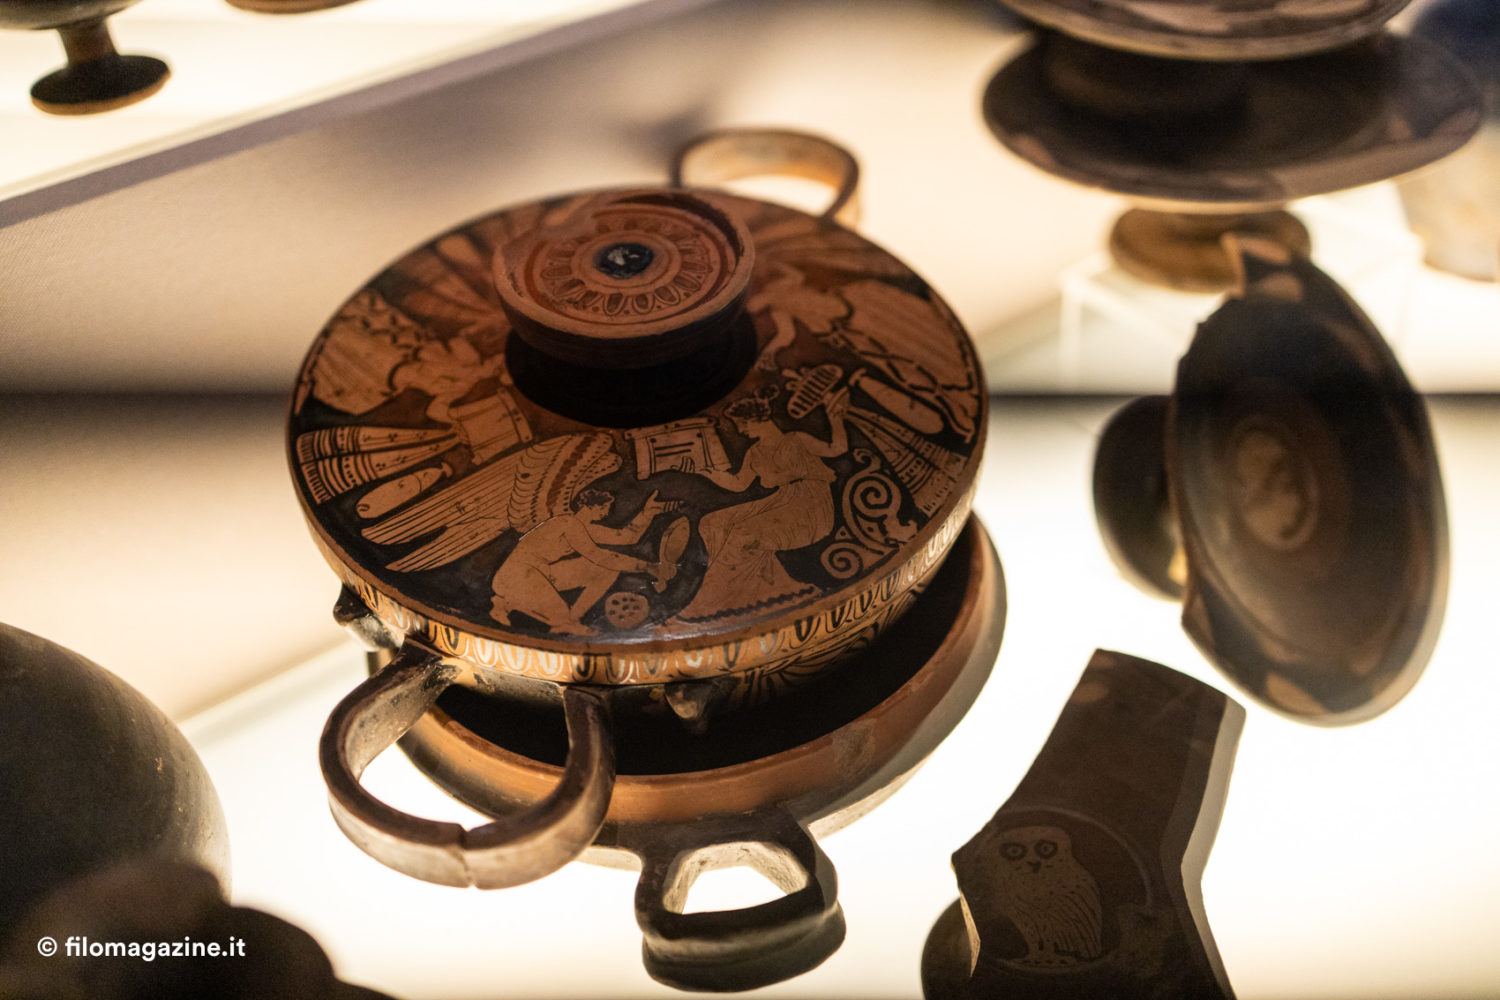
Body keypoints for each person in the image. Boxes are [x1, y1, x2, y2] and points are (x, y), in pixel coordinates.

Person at [678, 388, 848, 622]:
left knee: (742, 534)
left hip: (811, 505)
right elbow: (739, 484)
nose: (740, 430)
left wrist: (835, 418)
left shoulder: (796, 439)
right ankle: (748, 589)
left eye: (741, 424)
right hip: (782, 500)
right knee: (712, 522)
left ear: (756, 419)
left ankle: (719, 602)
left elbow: (837, 449)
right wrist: (704, 471)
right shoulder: (755, 451)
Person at [490, 489, 672, 634]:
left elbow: (625, 537)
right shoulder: (567, 523)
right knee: (559, 614)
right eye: (605, 509)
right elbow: (598, 555)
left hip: (540, 573)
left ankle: (571, 619)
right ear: (595, 507)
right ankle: (509, 603)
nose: (606, 514)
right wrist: (647, 567)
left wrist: (647, 513)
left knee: (605, 570)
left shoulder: (583, 528)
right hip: (515, 574)